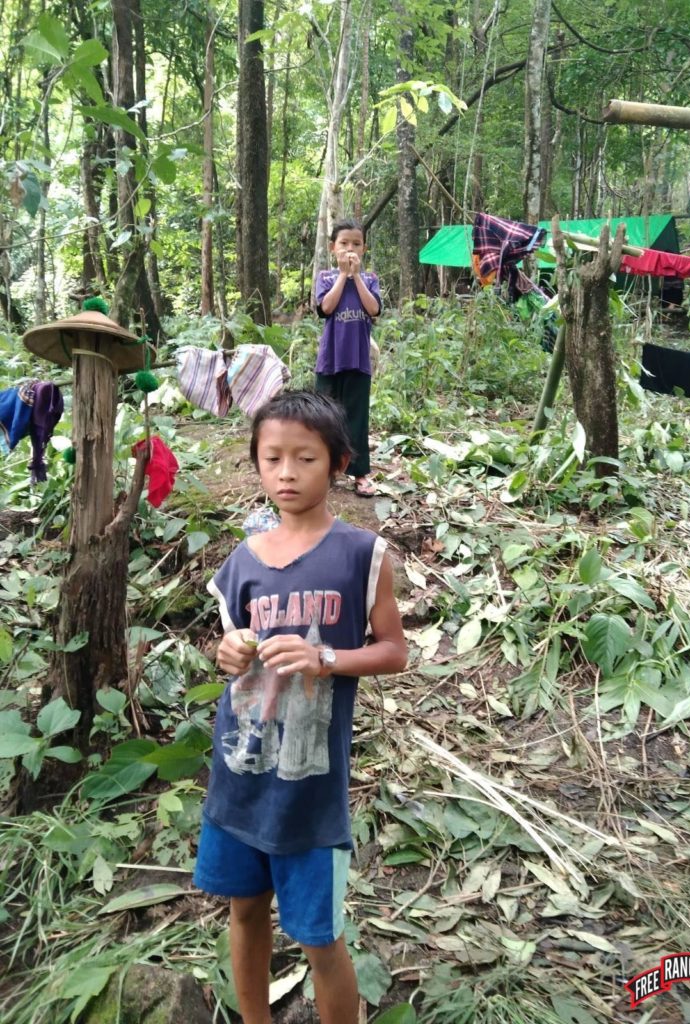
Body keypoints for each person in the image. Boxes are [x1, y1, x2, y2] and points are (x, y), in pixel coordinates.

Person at [193, 390, 407, 1024]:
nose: (286, 473)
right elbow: (228, 649)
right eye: (272, 458)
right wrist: (227, 653)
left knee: (320, 936)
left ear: (338, 464)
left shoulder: (362, 555)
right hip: (240, 776)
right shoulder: (241, 564)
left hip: (313, 791)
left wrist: (328, 660)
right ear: (257, 464)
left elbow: (394, 650)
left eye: (305, 459)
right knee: (244, 908)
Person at [314, 218, 381, 498]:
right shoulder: (326, 278)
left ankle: (359, 473)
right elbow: (326, 308)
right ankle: (323, 471)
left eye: (356, 244)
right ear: (333, 248)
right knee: (323, 418)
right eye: (344, 244)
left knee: (356, 418)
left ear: (364, 249)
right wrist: (343, 276)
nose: (349, 249)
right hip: (330, 361)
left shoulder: (370, 279)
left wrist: (356, 278)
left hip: (358, 361)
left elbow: (374, 309)